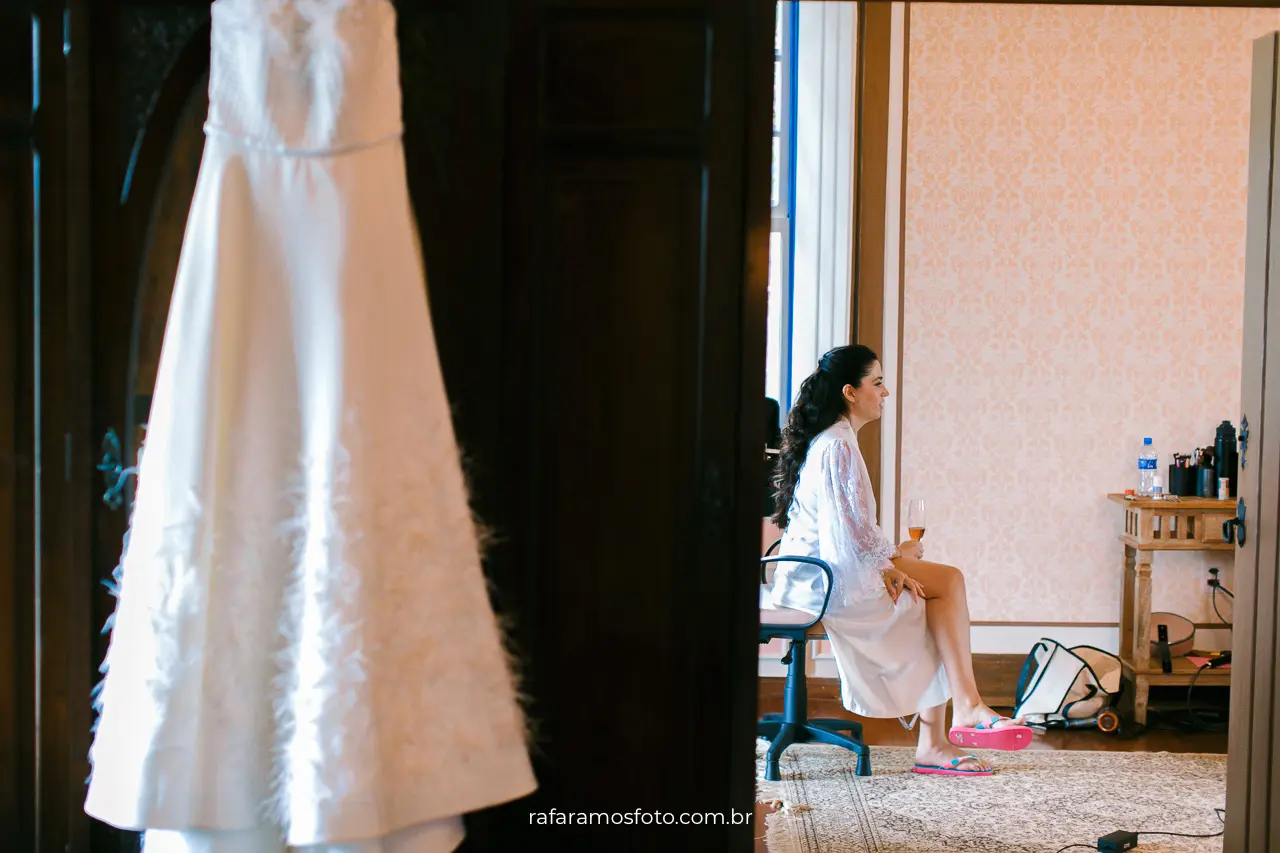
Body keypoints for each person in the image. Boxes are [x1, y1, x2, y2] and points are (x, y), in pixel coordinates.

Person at [765, 344, 1031, 776]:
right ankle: (952, 723)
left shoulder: (835, 439)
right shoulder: (837, 445)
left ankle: (955, 718)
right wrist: (890, 563)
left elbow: (850, 529)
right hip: (823, 580)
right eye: (879, 383)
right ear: (851, 392)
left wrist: (893, 557)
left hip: (819, 569)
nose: (886, 393)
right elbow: (847, 538)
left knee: (940, 586)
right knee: (933, 594)